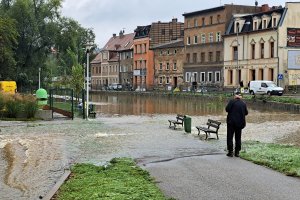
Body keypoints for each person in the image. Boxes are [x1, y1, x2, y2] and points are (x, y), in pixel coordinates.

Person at [225, 91, 248, 157]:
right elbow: (246, 113)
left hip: (231, 123)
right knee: (238, 138)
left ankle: (230, 152)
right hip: (239, 123)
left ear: (235, 96)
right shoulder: (243, 103)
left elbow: (227, 109)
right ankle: (237, 152)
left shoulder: (232, 101)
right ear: (240, 97)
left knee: (230, 137)